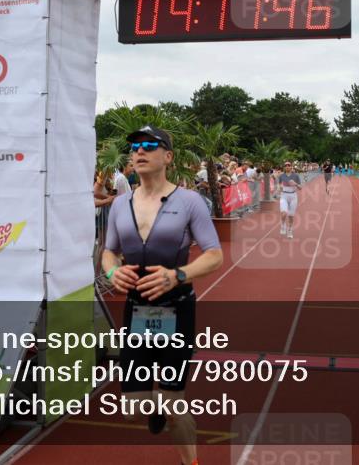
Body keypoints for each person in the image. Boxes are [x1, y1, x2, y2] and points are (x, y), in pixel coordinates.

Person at [101, 125, 223, 465]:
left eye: (149, 146)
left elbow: (215, 254)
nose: (139, 151)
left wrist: (177, 275)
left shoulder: (189, 202)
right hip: (136, 311)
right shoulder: (121, 204)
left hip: (176, 309)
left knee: (174, 406)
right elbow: (108, 252)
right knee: (131, 409)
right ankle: (154, 404)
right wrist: (112, 271)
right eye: (135, 147)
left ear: (167, 156)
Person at [278, 161, 303, 239]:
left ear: (291, 166)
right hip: (284, 195)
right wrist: (280, 187)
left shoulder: (296, 176)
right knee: (284, 213)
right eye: (286, 165)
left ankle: (290, 231)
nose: (287, 166)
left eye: (289, 165)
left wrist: (295, 184)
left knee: (291, 216)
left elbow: (300, 188)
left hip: (293, 196)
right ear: (284, 167)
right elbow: (279, 185)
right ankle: (282, 225)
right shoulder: (281, 176)